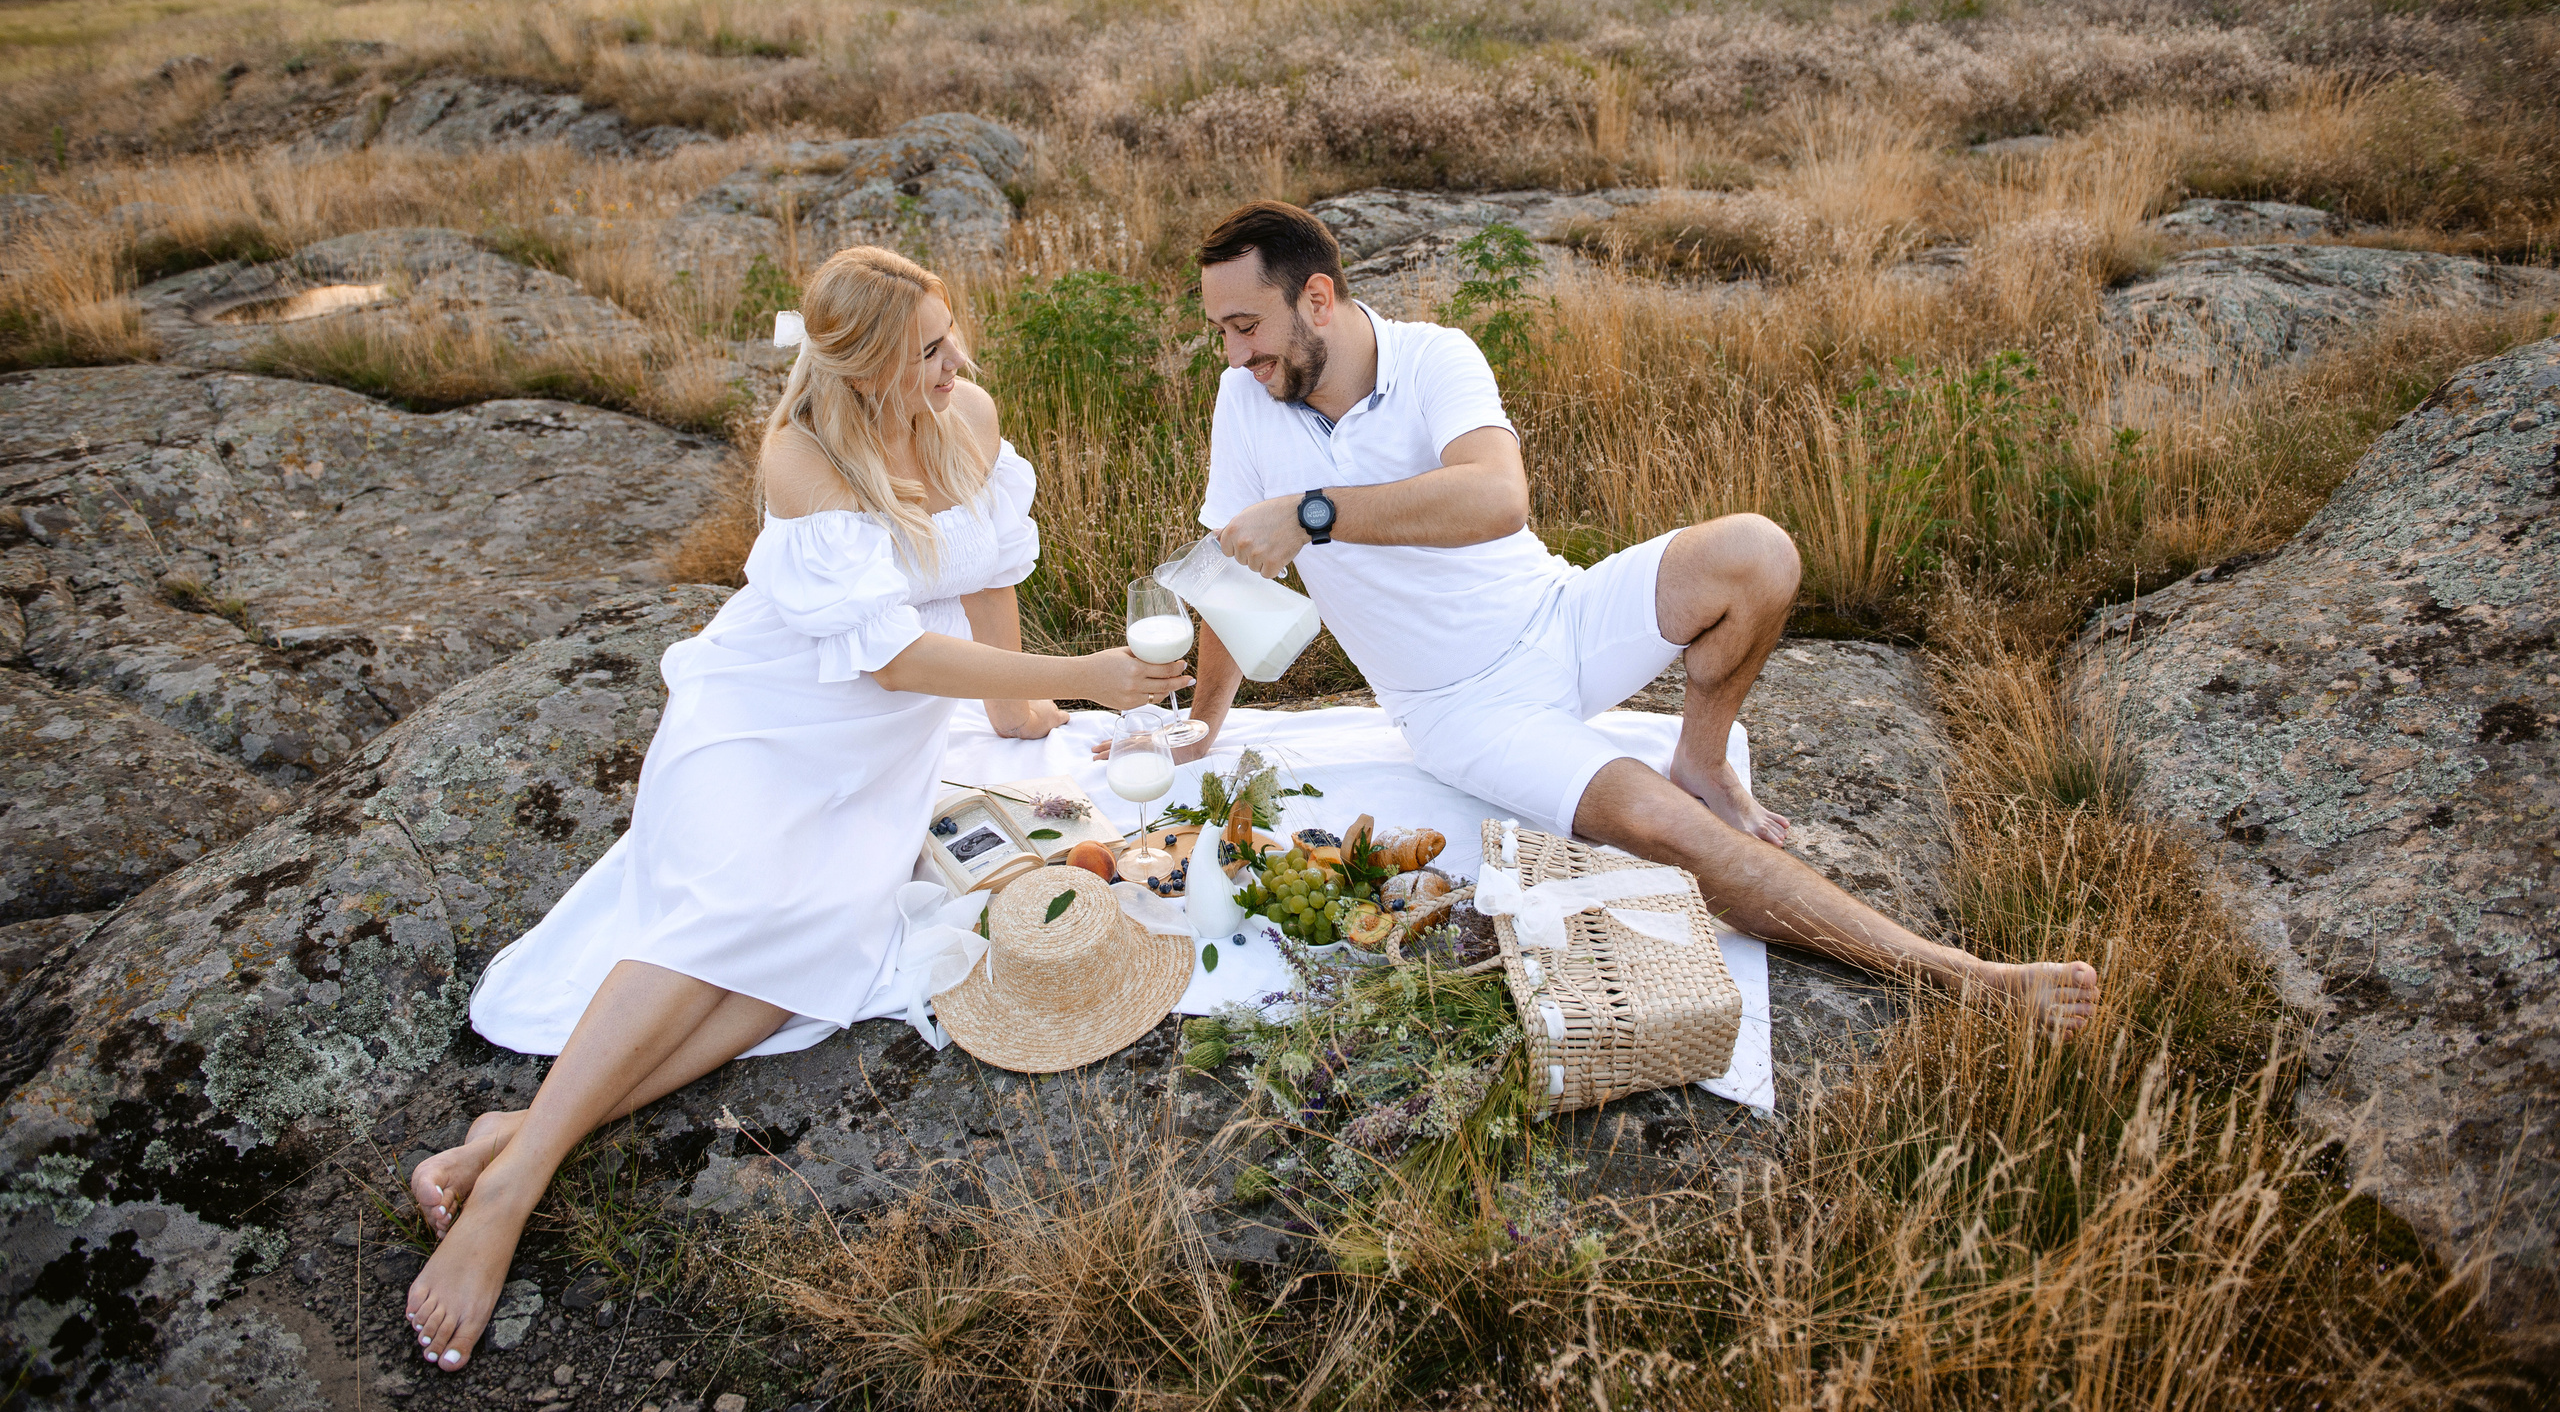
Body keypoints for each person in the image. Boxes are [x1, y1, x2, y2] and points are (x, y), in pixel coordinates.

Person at [401, 247, 1187, 1374]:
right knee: (728, 914)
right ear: (863, 366)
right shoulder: (802, 457)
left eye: (950, 332)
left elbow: (990, 570)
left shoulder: (964, 412)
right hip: (768, 717)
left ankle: (521, 1135)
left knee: (803, 967)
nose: (956, 361)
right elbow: (891, 657)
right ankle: (512, 1192)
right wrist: (1085, 672)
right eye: (926, 349)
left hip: (876, 757)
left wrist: (1028, 708)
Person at [1155, 200, 2100, 1035]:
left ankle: (1700, 751)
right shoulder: (1244, 403)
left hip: (1559, 615)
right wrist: (1206, 718)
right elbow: (1229, 580)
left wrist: (1314, 510)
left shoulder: (1435, 355)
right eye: (1224, 334)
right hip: (1463, 710)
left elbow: (1497, 498)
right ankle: (1967, 976)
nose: (1235, 355)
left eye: (1247, 326)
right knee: (1675, 835)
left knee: (1759, 553)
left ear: (1317, 299)